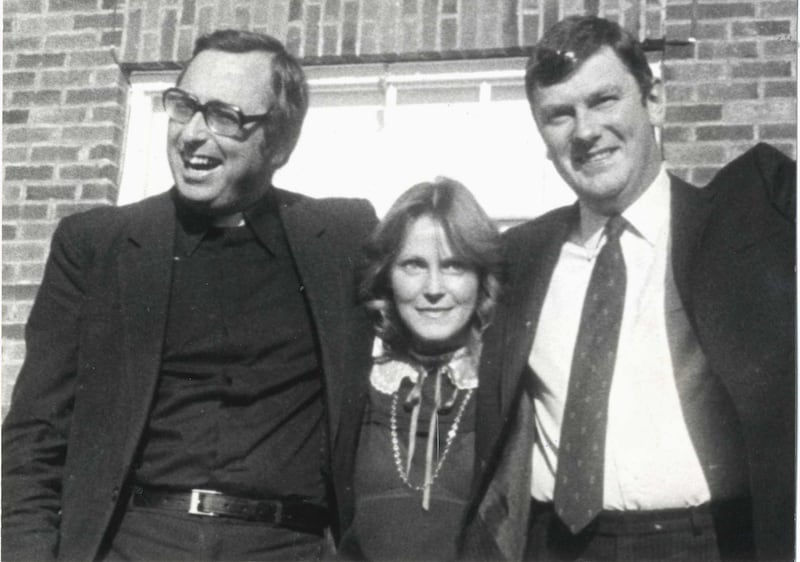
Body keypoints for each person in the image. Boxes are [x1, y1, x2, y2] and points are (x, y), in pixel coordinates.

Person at [2, 29, 378, 561]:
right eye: (184, 106)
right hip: (134, 544)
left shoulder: (343, 239)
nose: (192, 135)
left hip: (286, 547)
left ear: (280, 143)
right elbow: (35, 437)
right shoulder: (97, 245)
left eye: (225, 116)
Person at [459, 15, 795, 562]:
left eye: (604, 100)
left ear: (654, 101)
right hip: (555, 546)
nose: (585, 131)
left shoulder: (738, 230)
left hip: (705, 543)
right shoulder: (518, 257)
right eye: (559, 115)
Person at [337, 178, 502, 560]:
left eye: (455, 266)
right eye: (413, 265)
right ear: (386, 276)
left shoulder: (504, 390)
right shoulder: (357, 386)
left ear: (481, 278)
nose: (434, 288)